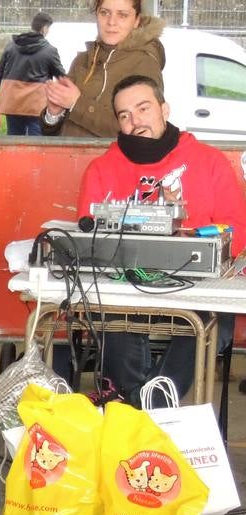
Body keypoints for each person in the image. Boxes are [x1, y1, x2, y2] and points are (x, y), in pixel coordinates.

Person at [78, 75, 246, 405]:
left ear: (164, 109)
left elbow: (237, 231)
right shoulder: (100, 170)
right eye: (124, 115)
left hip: (200, 292)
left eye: (143, 108)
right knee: (114, 319)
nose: (135, 121)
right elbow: (91, 240)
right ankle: (151, 416)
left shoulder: (210, 161)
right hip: (125, 290)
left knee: (208, 326)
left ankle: (140, 411)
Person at [41, 0, 164, 139]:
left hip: (112, 160)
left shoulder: (144, 64)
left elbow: (141, 133)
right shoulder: (83, 60)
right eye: (104, 13)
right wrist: (54, 114)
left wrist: (77, 104)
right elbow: (52, 133)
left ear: (137, 20)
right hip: (69, 158)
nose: (111, 22)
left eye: (122, 15)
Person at [0, 11, 65, 136]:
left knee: (14, 140)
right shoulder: (49, 51)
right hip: (36, 105)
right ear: (45, 28)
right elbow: (62, 77)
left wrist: (9, 91)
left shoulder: (11, 46)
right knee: (36, 142)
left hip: (12, 101)